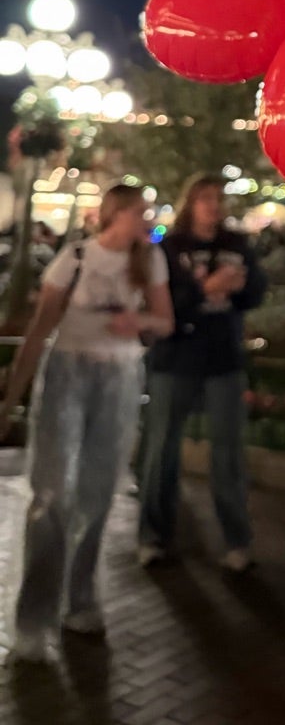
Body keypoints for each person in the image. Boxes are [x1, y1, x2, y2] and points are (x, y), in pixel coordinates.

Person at [0, 184, 173, 661]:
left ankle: (80, 602)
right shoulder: (75, 258)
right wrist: (12, 398)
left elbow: (166, 321)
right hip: (68, 374)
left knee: (98, 493)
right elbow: (39, 328)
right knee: (51, 494)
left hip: (118, 377)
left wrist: (137, 324)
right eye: (140, 211)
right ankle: (32, 623)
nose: (147, 218)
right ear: (115, 214)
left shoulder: (149, 261)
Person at [137, 174, 266, 572]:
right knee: (162, 448)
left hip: (222, 359)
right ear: (190, 204)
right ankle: (153, 536)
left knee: (227, 451)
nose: (213, 206)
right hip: (175, 359)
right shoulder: (170, 248)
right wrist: (207, 287)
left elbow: (256, 291)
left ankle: (236, 541)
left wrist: (237, 287)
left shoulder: (237, 244)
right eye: (205, 199)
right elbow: (163, 304)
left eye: (217, 199)